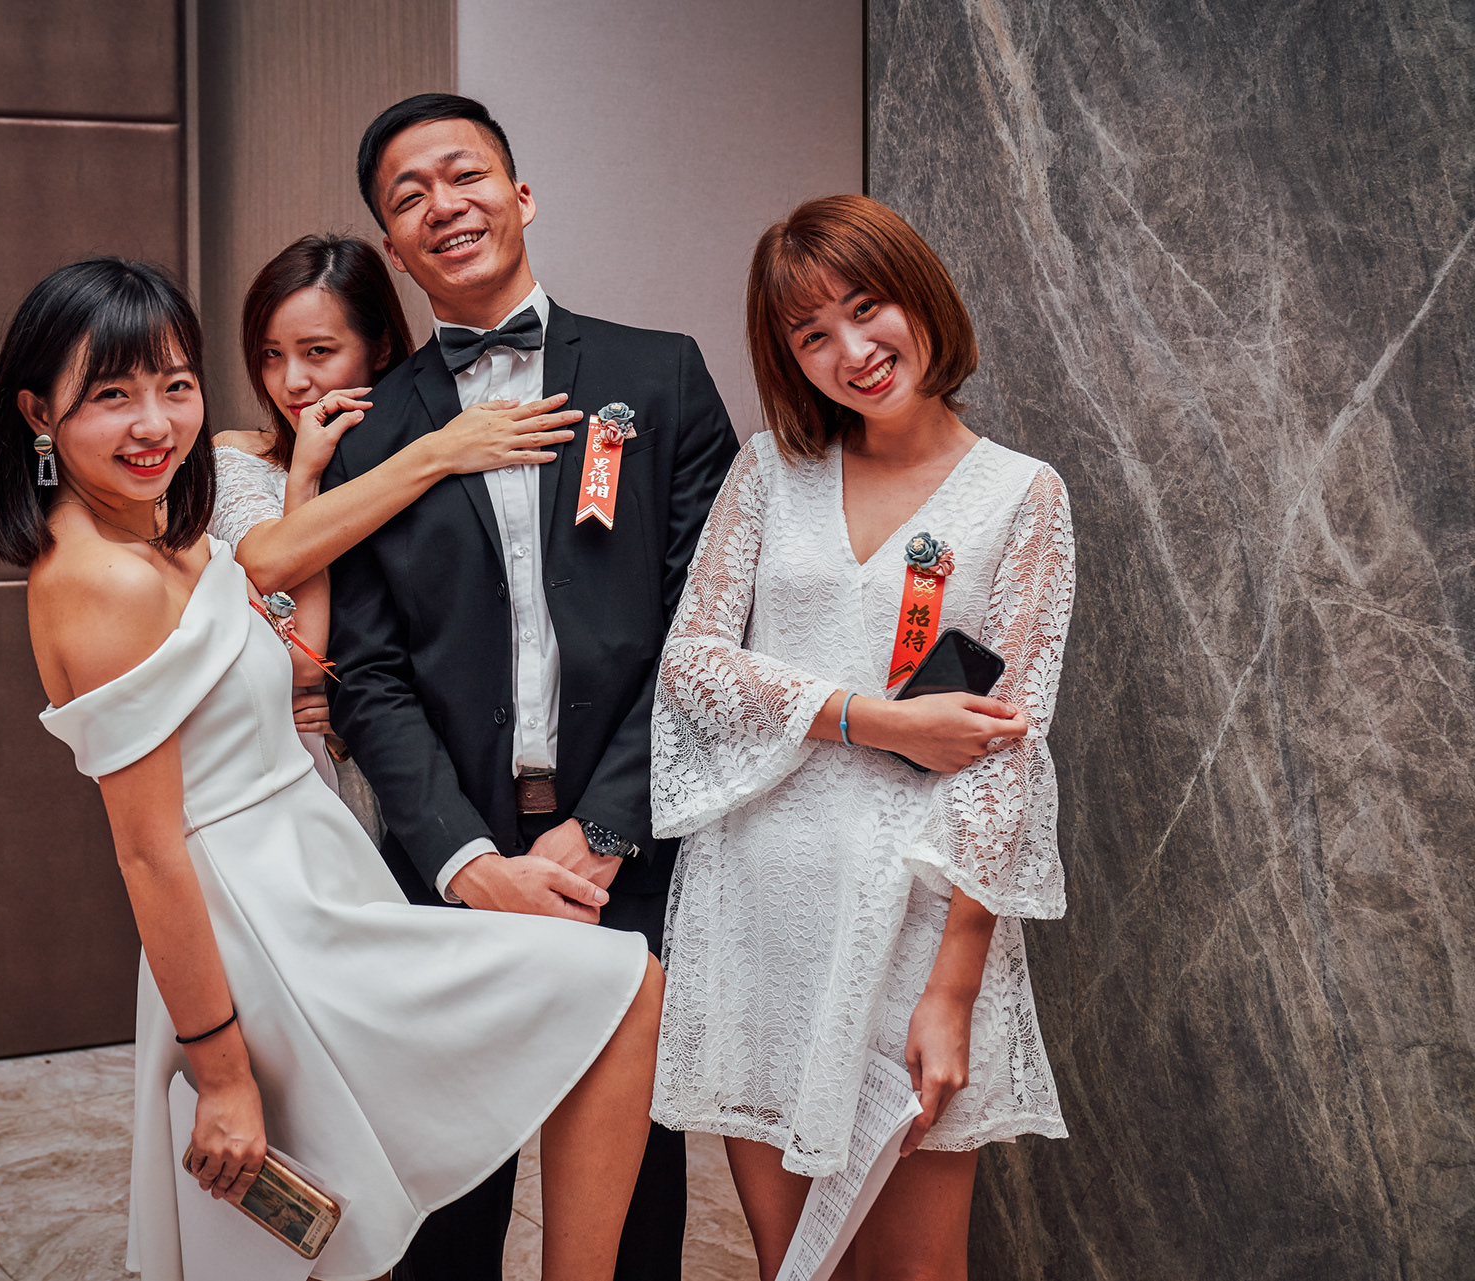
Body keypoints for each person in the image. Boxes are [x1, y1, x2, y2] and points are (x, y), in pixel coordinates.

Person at [0, 256, 664, 1281]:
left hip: (314, 883)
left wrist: (310, 482)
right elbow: (150, 854)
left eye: (175, 384)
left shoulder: (159, 537)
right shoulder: (102, 580)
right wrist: (222, 1072)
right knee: (620, 982)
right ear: (38, 413)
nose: (155, 422)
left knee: (334, 1237)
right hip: (267, 924)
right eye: (111, 395)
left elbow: (287, 630)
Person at [324, 93, 742, 1281]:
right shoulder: (369, 433)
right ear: (395, 248)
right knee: (447, 1199)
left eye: (464, 175)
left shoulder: (659, 376)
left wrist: (606, 830)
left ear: (521, 195)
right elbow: (367, 673)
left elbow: (708, 633)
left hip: (629, 848)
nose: (443, 205)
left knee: (632, 1204)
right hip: (452, 857)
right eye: (409, 197)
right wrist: (465, 858)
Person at [649, 194, 1073, 1281]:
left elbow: (1008, 757)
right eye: (811, 334)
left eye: (867, 305)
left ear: (919, 295)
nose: (851, 349)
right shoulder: (769, 472)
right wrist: (872, 717)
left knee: (919, 1270)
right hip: (757, 908)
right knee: (797, 1266)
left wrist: (954, 990)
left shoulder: (1021, 494)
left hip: (910, 924)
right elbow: (692, 663)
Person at [210, 232, 582, 840]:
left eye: (318, 351)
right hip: (296, 776)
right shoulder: (240, 458)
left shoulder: (443, 458)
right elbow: (277, 577)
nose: (292, 380)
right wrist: (420, 455)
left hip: (431, 769)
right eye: (271, 355)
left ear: (380, 346)